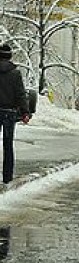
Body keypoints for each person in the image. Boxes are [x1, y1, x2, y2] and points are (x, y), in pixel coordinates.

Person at [0, 43, 30, 185]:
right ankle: (7, 176)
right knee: (8, 144)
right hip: (9, 113)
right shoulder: (15, 73)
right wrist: (25, 112)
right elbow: (20, 94)